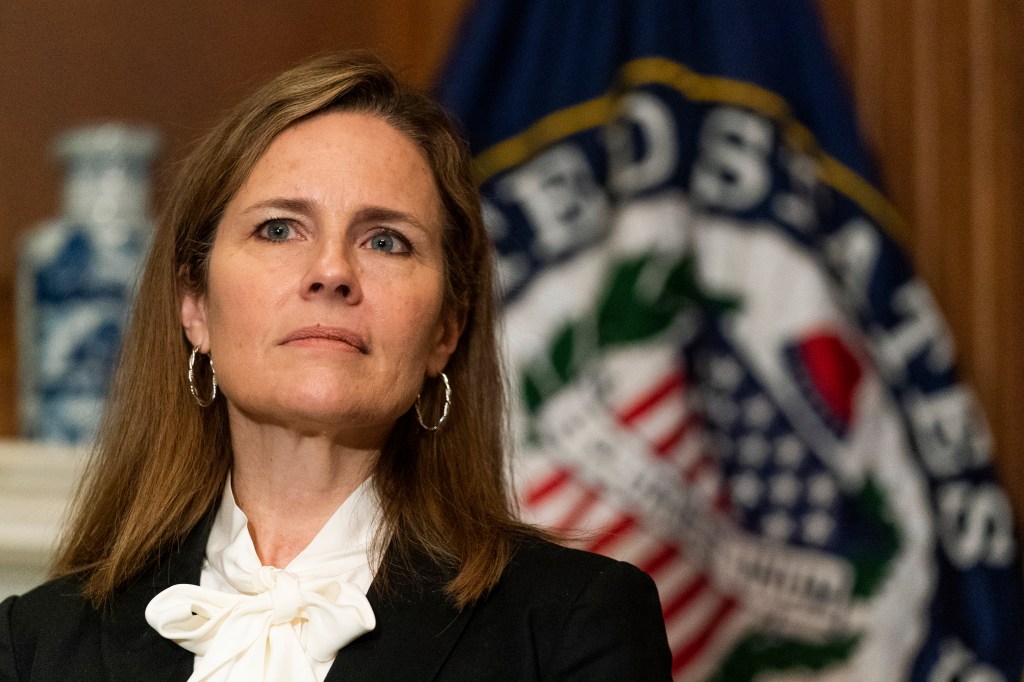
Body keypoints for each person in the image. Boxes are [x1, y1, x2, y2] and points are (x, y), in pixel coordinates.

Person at [0, 52, 672, 681]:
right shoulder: (34, 644)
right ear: (195, 306)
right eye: (279, 229)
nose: (331, 272)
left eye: (386, 240)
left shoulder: (569, 626)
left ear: (446, 330)